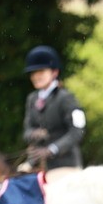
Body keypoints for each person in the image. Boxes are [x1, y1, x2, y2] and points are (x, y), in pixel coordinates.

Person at [21, 45, 86, 179]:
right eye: (33, 73)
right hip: (36, 164)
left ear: (54, 73)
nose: (36, 76)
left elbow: (77, 131)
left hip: (64, 165)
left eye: (41, 71)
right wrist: (34, 134)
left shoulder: (67, 98)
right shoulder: (32, 99)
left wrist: (52, 149)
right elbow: (26, 131)